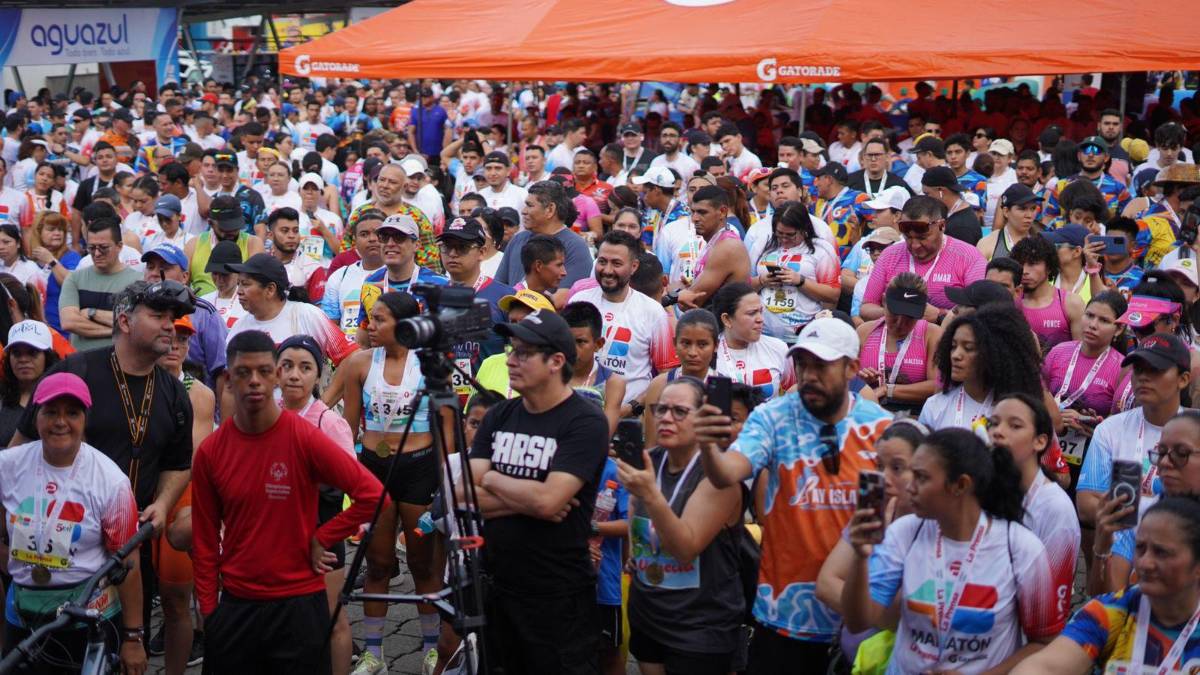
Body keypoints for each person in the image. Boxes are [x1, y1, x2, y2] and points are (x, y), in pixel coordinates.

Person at [691, 317, 893, 672]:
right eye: (802, 364)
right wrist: (709, 448)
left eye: (821, 365)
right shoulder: (773, 417)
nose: (808, 375)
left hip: (855, 621)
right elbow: (728, 473)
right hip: (783, 615)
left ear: (852, 369)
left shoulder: (881, 429)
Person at [191, 330, 386, 674]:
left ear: (275, 375)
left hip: (299, 604)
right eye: (243, 372)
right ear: (228, 379)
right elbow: (205, 539)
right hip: (237, 604)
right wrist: (209, 609)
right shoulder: (211, 451)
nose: (254, 382)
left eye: (264, 371)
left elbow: (371, 495)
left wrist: (323, 537)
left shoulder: (304, 436)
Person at [14, 280, 195, 648]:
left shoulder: (175, 392)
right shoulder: (73, 372)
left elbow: (178, 464)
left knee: (124, 648)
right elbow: (20, 450)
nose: (169, 326)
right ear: (125, 322)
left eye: (173, 318)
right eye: (158, 315)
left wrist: (161, 504)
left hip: (130, 550)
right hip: (62, 546)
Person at [462, 309, 610, 674]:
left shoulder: (585, 421)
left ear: (556, 361)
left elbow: (549, 502)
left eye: (524, 352)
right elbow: (462, 492)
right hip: (497, 586)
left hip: (557, 594)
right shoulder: (499, 415)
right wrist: (532, 498)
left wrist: (491, 480)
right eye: (512, 350)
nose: (511, 360)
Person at [841, 428, 1060, 673]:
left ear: (960, 485)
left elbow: (1044, 643)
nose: (910, 487)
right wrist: (860, 559)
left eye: (922, 478)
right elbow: (858, 621)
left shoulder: (1021, 550)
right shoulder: (904, 533)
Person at [0, 373, 146, 674]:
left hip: (89, 622)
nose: (60, 421)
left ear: (85, 419)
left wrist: (133, 637)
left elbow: (129, 563)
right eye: (51, 411)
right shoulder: (9, 465)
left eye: (72, 412)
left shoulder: (110, 480)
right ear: (36, 415)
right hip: (23, 618)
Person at [338, 292, 446, 674]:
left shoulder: (429, 366)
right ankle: (373, 654)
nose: (369, 326)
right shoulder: (358, 364)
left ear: (403, 324)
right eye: (369, 318)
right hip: (373, 470)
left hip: (419, 469)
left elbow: (446, 429)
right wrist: (347, 478)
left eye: (379, 319)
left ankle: (433, 650)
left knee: (423, 566)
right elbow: (347, 427)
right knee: (378, 563)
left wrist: (446, 482)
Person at [618, 376, 745, 675]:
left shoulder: (718, 474)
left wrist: (650, 493)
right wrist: (637, 550)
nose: (666, 418)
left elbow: (686, 548)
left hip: (699, 623)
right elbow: (636, 508)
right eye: (661, 410)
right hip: (649, 609)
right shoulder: (651, 459)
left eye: (679, 411)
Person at [1012, 496, 1200, 674]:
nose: (1144, 563)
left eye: (1161, 552)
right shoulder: (1110, 612)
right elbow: (1045, 667)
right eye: (1140, 548)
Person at [815, 419, 926, 670]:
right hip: (852, 663)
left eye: (897, 468)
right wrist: (871, 610)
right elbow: (825, 583)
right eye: (879, 466)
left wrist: (864, 609)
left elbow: (907, 612)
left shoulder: (931, 529)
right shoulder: (869, 517)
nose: (884, 477)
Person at [274, 335, 355, 675]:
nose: (294, 375)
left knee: (330, 615)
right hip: (276, 533)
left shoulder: (329, 422)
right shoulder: (265, 415)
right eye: (287, 366)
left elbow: (350, 482)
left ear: (318, 377)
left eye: (305, 367)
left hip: (322, 530)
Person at [150, 315, 214, 674]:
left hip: (183, 498)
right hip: (140, 494)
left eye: (184, 339)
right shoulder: (135, 384)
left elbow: (194, 456)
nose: (176, 345)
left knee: (176, 598)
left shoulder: (199, 394)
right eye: (170, 337)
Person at [1077, 333, 1192, 528]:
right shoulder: (1110, 429)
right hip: (1117, 553)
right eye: (1138, 369)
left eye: (1156, 370)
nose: (1143, 377)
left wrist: (1122, 510)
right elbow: (1086, 505)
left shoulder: (1195, 431)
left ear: (1183, 379)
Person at [988, 393, 1080, 629]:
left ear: (1040, 441)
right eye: (993, 423)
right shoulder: (982, 491)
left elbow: (1051, 606)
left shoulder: (1055, 507)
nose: (998, 432)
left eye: (1015, 425)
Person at [920, 302, 1062, 435]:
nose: (956, 355)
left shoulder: (1020, 413)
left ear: (993, 354)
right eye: (953, 346)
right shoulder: (935, 406)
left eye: (968, 348)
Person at [571, 231, 678, 406]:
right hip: (579, 412)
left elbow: (667, 373)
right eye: (602, 261)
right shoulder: (579, 300)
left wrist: (633, 407)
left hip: (628, 418)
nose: (607, 270)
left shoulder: (653, 312)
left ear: (634, 266)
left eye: (617, 263)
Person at [1041, 291, 1128, 485]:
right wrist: (1054, 414)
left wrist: (1096, 424)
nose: (1093, 324)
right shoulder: (1059, 352)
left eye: (1104, 320)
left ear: (1119, 329)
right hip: (1048, 446)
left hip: (1092, 456)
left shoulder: (1122, 368)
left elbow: (1123, 423)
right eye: (1089, 315)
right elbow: (1038, 394)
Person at [859, 195, 988, 322]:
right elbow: (866, 307)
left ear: (941, 226)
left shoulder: (969, 257)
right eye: (908, 237)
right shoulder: (889, 255)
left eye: (922, 238)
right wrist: (894, 312)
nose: (915, 245)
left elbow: (982, 311)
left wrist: (940, 316)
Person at [226, 253, 357, 366]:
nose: (239, 291)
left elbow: (353, 357)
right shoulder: (239, 327)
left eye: (245, 284)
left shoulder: (307, 315)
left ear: (270, 289)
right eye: (238, 284)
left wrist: (327, 396)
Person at [750, 201, 841, 342]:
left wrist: (800, 281)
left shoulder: (822, 250)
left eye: (790, 235)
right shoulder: (763, 244)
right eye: (779, 233)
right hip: (763, 334)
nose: (784, 239)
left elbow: (833, 295)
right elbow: (744, 285)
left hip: (802, 335)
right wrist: (762, 281)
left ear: (804, 229)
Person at [857, 273, 942, 414]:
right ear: (884, 302)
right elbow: (847, 379)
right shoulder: (864, 332)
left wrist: (888, 389)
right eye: (894, 314)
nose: (900, 324)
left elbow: (937, 385)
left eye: (909, 318)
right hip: (870, 414)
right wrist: (863, 382)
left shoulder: (932, 334)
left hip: (915, 417)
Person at [58, 216, 142, 350]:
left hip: (120, 363)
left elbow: (137, 324)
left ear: (119, 246)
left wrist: (93, 313)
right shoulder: (74, 278)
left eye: (103, 248)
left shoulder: (138, 282)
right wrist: (117, 329)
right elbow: (70, 322)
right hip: (81, 363)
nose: (97, 253)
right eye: (91, 248)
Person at [495, 180, 593, 290]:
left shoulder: (575, 246)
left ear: (550, 209)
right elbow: (498, 287)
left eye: (530, 205)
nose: (523, 211)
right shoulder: (518, 239)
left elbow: (563, 298)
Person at [642, 309, 719, 444]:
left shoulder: (723, 388)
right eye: (686, 343)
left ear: (716, 346)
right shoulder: (659, 385)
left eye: (702, 344)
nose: (693, 352)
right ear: (674, 343)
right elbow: (651, 445)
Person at [711, 282, 794, 402]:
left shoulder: (779, 348)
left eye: (761, 312)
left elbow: (791, 390)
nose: (760, 319)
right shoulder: (709, 353)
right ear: (727, 319)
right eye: (752, 313)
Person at [676, 186, 751, 310]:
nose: (694, 219)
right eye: (692, 212)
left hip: (723, 326)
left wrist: (676, 293)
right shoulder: (716, 241)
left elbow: (689, 304)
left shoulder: (727, 246)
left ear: (722, 212)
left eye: (702, 212)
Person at [1011, 234, 1084, 353]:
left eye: (1032, 263)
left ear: (1049, 267)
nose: (1024, 271)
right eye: (1020, 264)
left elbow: (1080, 355)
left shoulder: (1071, 303)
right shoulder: (1011, 303)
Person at [561, 302, 625, 435]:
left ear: (598, 344)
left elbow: (604, 436)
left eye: (580, 342)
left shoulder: (612, 383)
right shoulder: (548, 375)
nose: (572, 350)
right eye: (567, 340)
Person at [321, 208, 385, 339]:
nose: (372, 239)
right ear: (355, 240)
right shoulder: (339, 277)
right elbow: (331, 326)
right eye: (364, 234)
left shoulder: (400, 275)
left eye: (378, 234)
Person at [185, 194, 265, 298]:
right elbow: (182, 283)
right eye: (225, 229)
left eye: (235, 227)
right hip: (202, 309)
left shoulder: (253, 244)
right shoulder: (193, 245)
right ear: (210, 223)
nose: (231, 232)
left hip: (239, 309)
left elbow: (256, 286)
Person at [0, 320, 60, 445]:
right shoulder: (2, 397)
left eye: (32, 352)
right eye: (16, 353)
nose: (23, 359)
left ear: (47, 357)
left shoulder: (62, 398)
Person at [29, 211, 81, 335]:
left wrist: (51, 261)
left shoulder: (72, 257)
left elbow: (71, 284)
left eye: (61, 229)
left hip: (63, 331)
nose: (58, 233)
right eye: (51, 229)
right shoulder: (28, 263)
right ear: (38, 232)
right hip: (35, 332)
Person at [976, 183, 1041, 261]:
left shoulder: (1043, 242)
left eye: (1033, 208)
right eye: (1022, 209)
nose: (1029, 215)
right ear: (1006, 211)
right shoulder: (987, 244)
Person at [921, 165, 984, 245]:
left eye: (927, 194)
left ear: (941, 191)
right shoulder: (956, 215)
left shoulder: (960, 227)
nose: (926, 199)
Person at [198, 240, 246, 328]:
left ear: (238, 273)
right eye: (215, 273)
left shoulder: (248, 304)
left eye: (225, 274)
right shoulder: (203, 303)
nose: (220, 280)